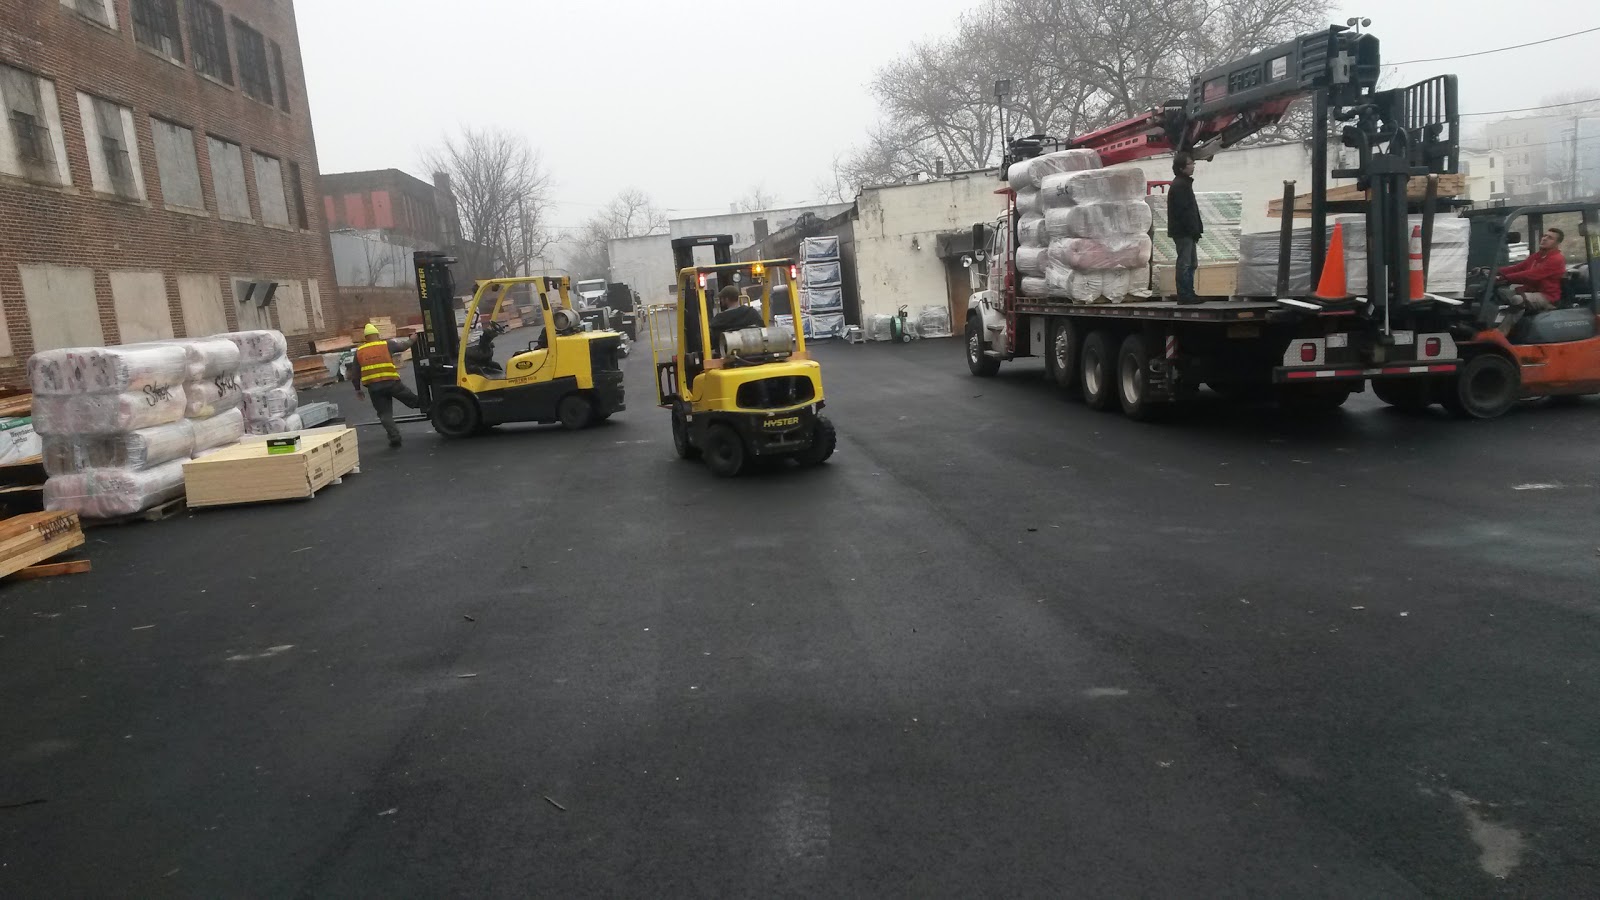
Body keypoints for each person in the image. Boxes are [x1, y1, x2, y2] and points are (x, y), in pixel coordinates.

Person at [346, 324, 422, 448]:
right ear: (377, 335)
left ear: (366, 338)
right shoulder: (386, 344)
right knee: (413, 400)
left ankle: (394, 437)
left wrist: (358, 389)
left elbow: (355, 374)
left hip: (375, 388)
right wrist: (413, 339)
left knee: (385, 414)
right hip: (392, 383)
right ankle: (433, 409)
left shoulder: (360, 351)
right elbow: (403, 346)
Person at [1498, 227, 1567, 316]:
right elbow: (1518, 268)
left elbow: (1532, 275)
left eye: (1550, 238)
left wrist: (1504, 278)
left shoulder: (1556, 259)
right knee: (1500, 292)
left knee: (1517, 299)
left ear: (1557, 243)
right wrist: (1495, 272)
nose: (1545, 239)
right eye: (1545, 236)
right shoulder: (1537, 256)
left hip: (1547, 297)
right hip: (1531, 291)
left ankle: (1504, 329)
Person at [1167, 152, 1204, 305]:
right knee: (1185, 263)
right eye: (1190, 164)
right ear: (1182, 167)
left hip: (1189, 231)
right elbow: (1185, 212)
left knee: (1192, 263)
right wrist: (1193, 230)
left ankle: (1189, 292)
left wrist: (1197, 229)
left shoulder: (1184, 184)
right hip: (1184, 232)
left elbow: (1191, 211)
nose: (1193, 166)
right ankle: (1185, 295)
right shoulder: (1180, 186)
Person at [709, 284, 763, 354]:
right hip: (754, 353)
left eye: (722, 299)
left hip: (728, 355)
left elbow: (713, 341)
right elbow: (762, 330)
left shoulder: (719, 319)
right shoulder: (751, 313)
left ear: (727, 299)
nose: (721, 301)